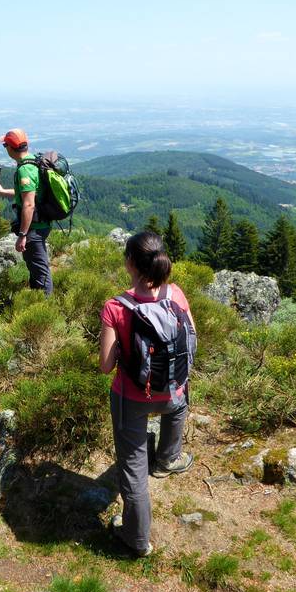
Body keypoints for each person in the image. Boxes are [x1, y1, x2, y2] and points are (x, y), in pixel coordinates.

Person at [99, 231, 195, 556]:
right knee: (180, 403)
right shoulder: (176, 294)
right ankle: (169, 457)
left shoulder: (116, 307)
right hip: (172, 391)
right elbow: (192, 339)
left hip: (132, 398)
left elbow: (105, 365)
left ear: (130, 263)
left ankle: (136, 540)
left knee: (132, 466)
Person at [0, 128, 53, 295]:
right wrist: (4, 191)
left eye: (5, 145)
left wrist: (22, 235)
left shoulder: (24, 170)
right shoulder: (33, 160)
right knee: (35, 266)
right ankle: (37, 300)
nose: (5, 148)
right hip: (42, 222)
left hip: (34, 227)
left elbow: (28, 205)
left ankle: (45, 309)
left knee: (40, 270)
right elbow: (28, 193)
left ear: (11, 148)